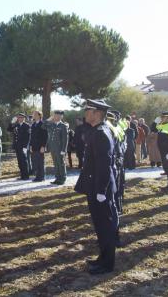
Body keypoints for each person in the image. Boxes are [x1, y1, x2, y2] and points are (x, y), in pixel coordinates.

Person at [75, 99, 118, 275]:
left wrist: (101, 190)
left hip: (101, 188)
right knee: (100, 226)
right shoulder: (96, 131)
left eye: (88, 110)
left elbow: (104, 165)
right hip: (95, 186)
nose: (85, 113)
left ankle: (107, 264)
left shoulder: (101, 133)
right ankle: (103, 258)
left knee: (105, 226)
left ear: (97, 113)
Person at [153, 112, 168, 192]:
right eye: (161, 117)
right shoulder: (162, 125)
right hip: (163, 151)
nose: (161, 118)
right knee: (167, 168)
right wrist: (155, 122)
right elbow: (153, 129)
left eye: (163, 117)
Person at [44, 110, 69, 185]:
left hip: (60, 148)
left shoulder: (63, 126)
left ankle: (62, 179)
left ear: (61, 116)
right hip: (52, 147)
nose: (55, 117)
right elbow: (43, 126)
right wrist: (49, 119)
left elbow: (65, 139)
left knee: (61, 163)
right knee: (55, 163)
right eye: (54, 115)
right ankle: (57, 178)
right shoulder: (52, 124)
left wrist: (63, 150)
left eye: (56, 115)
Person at [8, 113, 31, 180]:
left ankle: (26, 176)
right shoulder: (16, 125)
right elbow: (9, 129)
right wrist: (11, 122)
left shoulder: (27, 126)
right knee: (19, 161)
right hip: (17, 146)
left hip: (23, 146)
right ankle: (22, 175)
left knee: (24, 161)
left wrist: (25, 147)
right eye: (18, 117)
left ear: (24, 118)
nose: (19, 118)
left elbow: (28, 137)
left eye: (21, 117)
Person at [29, 111, 48, 182]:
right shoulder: (33, 124)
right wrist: (30, 146)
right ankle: (37, 176)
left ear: (39, 116)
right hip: (34, 146)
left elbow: (45, 136)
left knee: (40, 162)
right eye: (33, 114)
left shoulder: (43, 124)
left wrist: (43, 146)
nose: (33, 115)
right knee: (35, 162)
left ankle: (42, 177)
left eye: (34, 114)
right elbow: (31, 136)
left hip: (40, 146)